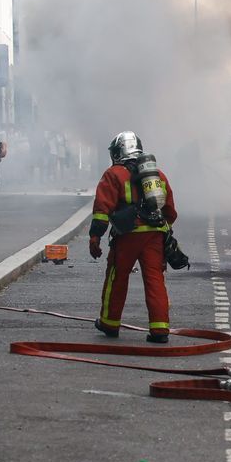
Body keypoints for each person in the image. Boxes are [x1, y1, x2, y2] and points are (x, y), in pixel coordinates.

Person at [89, 131, 178, 343]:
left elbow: (102, 209)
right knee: (155, 280)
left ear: (119, 151)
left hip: (127, 236)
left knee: (117, 278)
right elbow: (170, 211)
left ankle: (110, 324)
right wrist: (161, 232)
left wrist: (95, 236)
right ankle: (160, 330)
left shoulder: (114, 174)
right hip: (154, 236)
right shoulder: (158, 175)